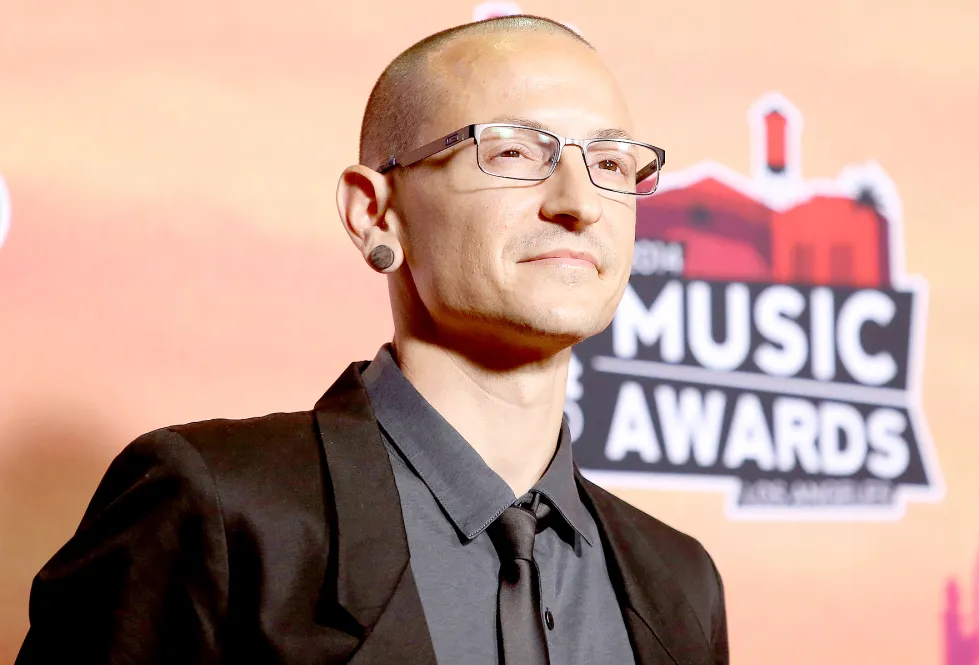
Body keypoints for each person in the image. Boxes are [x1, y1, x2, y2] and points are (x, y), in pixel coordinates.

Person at [16, 14, 728, 665]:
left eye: (610, 164)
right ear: (374, 213)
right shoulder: (220, 512)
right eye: (512, 151)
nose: (578, 203)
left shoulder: (679, 581)